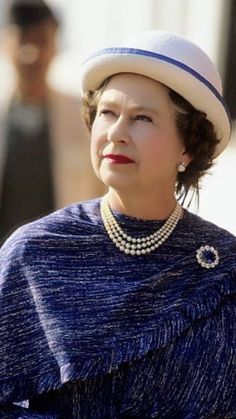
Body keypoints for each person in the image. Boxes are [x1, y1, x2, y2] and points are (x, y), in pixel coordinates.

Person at [0, 30, 235, 418]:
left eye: (142, 117)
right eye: (107, 113)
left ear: (188, 145)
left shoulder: (224, 271)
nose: (116, 134)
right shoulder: (35, 252)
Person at [0, 0, 104, 245]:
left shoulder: (86, 118)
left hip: (63, 260)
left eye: (41, 40)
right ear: (6, 44)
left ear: (55, 45)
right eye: (22, 39)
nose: (31, 53)